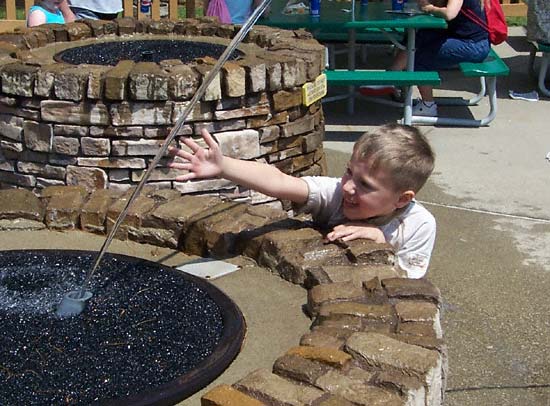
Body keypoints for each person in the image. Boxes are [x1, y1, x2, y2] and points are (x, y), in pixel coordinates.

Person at [168, 124, 437, 279]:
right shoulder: (334, 194)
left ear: (402, 199)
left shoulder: (417, 226)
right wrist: (224, 166)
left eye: (365, 184)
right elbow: (281, 183)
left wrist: (381, 242)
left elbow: (407, 284)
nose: (349, 186)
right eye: (349, 172)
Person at [361, 0, 490, 117]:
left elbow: (450, 14)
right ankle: (391, 77)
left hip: (474, 45)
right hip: (461, 37)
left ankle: (428, 106)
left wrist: (430, 8)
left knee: (419, 59)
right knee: (422, 35)